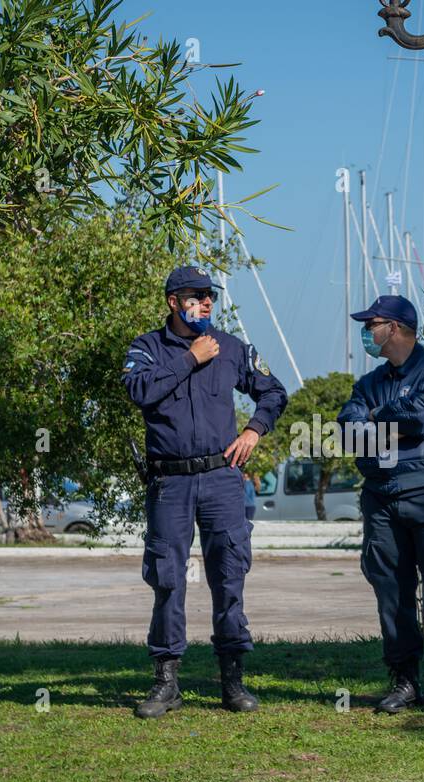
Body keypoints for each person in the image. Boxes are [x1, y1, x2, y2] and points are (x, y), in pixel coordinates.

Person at [122, 266, 287, 718]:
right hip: (169, 482)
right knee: (167, 580)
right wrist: (190, 358)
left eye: (210, 295)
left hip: (221, 479)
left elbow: (273, 392)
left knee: (229, 576)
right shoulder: (147, 349)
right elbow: (139, 390)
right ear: (174, 301)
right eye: (197, 295)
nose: (207, 302)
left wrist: (254, 430)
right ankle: (166, 682)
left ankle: (232, 682)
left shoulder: (232, 348)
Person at [337, 295, 424, 713]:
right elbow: (347, 428)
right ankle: (405, 681)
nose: (365, 333)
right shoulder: (369, 383)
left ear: (393, 328)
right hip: (381, 497)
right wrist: (386, 420)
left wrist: (377, 418)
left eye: (370, 324)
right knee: (390, 590)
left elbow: (423, 418)